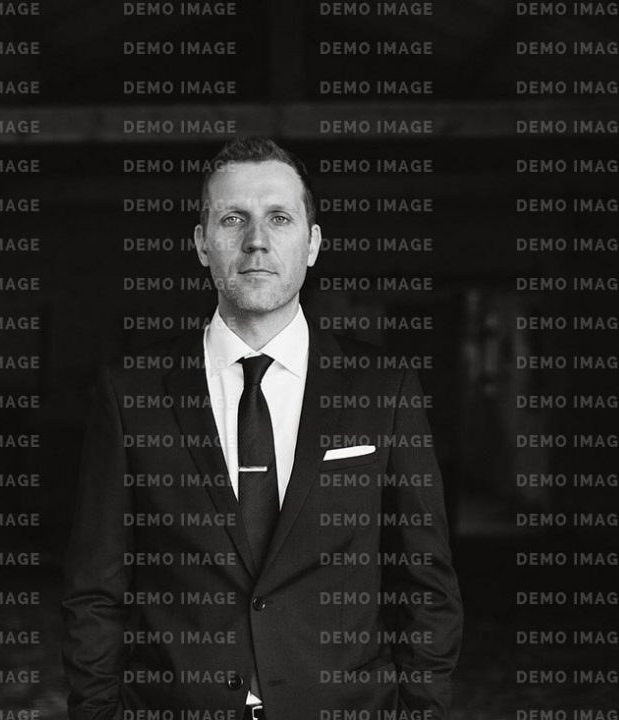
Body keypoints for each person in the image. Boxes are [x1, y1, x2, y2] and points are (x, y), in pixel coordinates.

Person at [62, 136, 463, 720]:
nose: (256, 240)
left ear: (312, 243)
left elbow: (426, 582)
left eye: (279, 217)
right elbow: (96, 589)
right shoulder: (131, 393)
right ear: (202, 243)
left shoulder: (385, 387)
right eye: (232, 219)